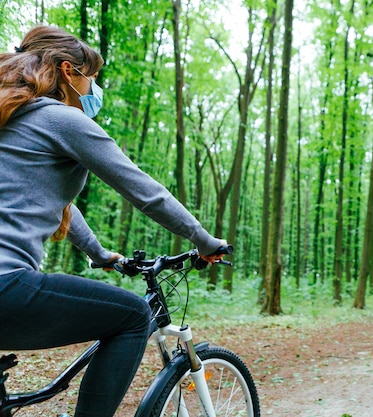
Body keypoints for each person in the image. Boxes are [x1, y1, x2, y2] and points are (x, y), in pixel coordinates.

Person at [0, 25, 226, 417]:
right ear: (69, 72)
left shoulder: (12, 117)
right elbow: (144, 191)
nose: (94, 90)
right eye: (94, 79)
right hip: (5, 285)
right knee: (134, 316)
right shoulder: (60, 120)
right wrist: (205, 242)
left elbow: (56, 203)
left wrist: (100, 253)